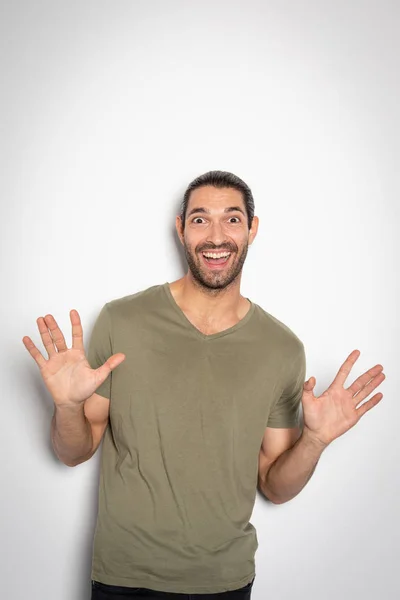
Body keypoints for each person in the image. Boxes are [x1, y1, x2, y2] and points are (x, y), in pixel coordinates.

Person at [22, 170, 385, 600]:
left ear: (252, 229)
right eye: (199, 220)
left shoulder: (281, 348)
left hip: (224, 581)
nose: (216, 236)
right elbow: (73, 452)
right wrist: (66, 408)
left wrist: (316, 441)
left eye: (232, 219)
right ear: (180, 230)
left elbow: (274, 486)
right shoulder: (123, 320)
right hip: (125, 576)